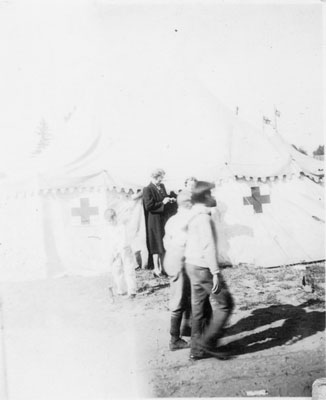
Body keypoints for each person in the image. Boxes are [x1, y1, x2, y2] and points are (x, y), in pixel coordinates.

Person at [184, 181, 234, 360]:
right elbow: (208, 246)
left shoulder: (191, 215)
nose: (213, 197)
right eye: (211, 194)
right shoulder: (203, 218)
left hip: (191, 264)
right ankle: (206, 343)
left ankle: (196, 351)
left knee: (198, 309)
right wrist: (215, 272)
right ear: (205, 196)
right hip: (204, 266)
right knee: (225, 304)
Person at [163, 190, 194, 351]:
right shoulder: (188, 219)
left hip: (172, 258)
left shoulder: (172, 220)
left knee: (187, 294)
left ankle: (187, 328)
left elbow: (166, 240)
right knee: (179, 297)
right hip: (180, 259)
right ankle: (174, 339)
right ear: (189, 203)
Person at [143, 168, 176, 277]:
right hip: (154, 220)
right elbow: (148, 206)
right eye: (160, 178)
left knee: (163, 243)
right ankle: (156, 269)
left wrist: (169, 199)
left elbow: (164, 198)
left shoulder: (161, 187)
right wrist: (162, 203)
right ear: (155, 177)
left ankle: (163, 268)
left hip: (162, 219)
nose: (161, 180)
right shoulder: (147, 189)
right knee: (156, 244)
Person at [102, 208, 137, 298]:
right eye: (108, 221)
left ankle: (132, 291)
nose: (110, 222)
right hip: (115, 252)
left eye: (111, 219)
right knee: (117, 271)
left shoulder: (121, 226)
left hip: (124, 249)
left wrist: (119, 250)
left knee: (128, 269)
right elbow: (109, 242)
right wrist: (113, 253)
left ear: (115, 217)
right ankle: (121, 290)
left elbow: (124, 240)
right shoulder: (108, 228)